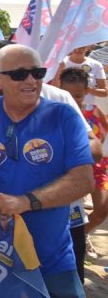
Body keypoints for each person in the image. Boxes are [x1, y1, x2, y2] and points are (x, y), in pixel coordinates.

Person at [0, 44, 94, 298]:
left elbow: (83, 180)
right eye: (19, 74)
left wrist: (24, 202)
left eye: (37, 73)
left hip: (52, 259)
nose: (31, 81)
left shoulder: (63, 116)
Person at [60, 67, 108, 260]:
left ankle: (83, 233)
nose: (73, 100)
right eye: (68, 94)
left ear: (87, 91)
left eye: (78, 96)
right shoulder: (54, 113)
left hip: (97, 168)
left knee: (103, 209)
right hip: (68, 173)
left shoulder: (94, 112)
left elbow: (103, 132)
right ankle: (73, 240)